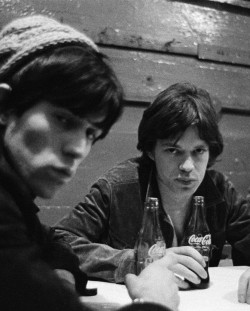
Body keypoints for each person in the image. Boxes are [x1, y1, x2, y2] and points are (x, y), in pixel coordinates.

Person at [0, 15, 179, 311]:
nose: (79, 149)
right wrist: (153, 300)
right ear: (5, 106)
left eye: (90, 133)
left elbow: (55, 248)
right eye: (63, 119)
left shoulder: (16, 201)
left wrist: (52, 289)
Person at [55, 82, 250, 290]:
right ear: (150, 150)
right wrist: (139, 261)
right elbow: (59, 241)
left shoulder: (219, 190)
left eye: (199, 151)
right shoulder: (118, 187)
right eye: (173, 150)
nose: (187, 166)